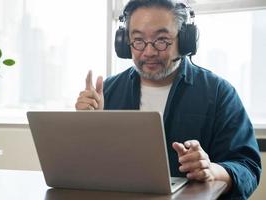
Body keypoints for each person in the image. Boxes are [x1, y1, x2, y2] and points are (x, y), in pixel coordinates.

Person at [75, 0, 261, 199]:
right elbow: (87, 170)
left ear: (185, 40)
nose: (149, 51)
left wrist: (211, 169)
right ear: (124, 42)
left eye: (161, 40)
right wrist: (88, 125)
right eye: (138, 40)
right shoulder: (108, 92)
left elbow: (248, 168)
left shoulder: (218, 92)